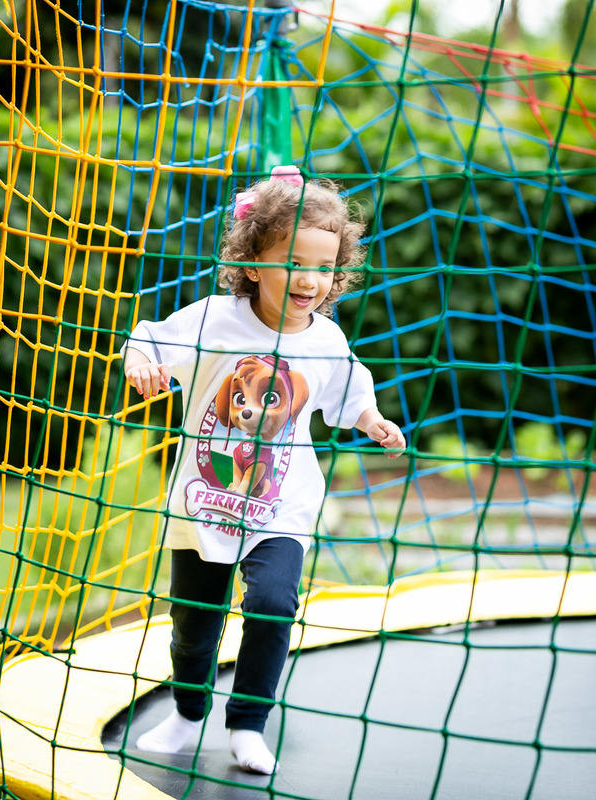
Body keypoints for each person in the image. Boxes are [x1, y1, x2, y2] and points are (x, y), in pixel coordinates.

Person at [121, 165, 405, 775]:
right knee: (194, 623)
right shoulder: (213, 319)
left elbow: (351, 396)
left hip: (282, 505)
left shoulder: (328, 341)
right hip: (204, 504)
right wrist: (142, 363)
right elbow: (147, 339)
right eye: (291, 262)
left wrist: (374, 421)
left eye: (323, 267)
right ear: (253, 263)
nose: (308, 279)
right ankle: (187, 713)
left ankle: (248, 724)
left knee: (274, 603)